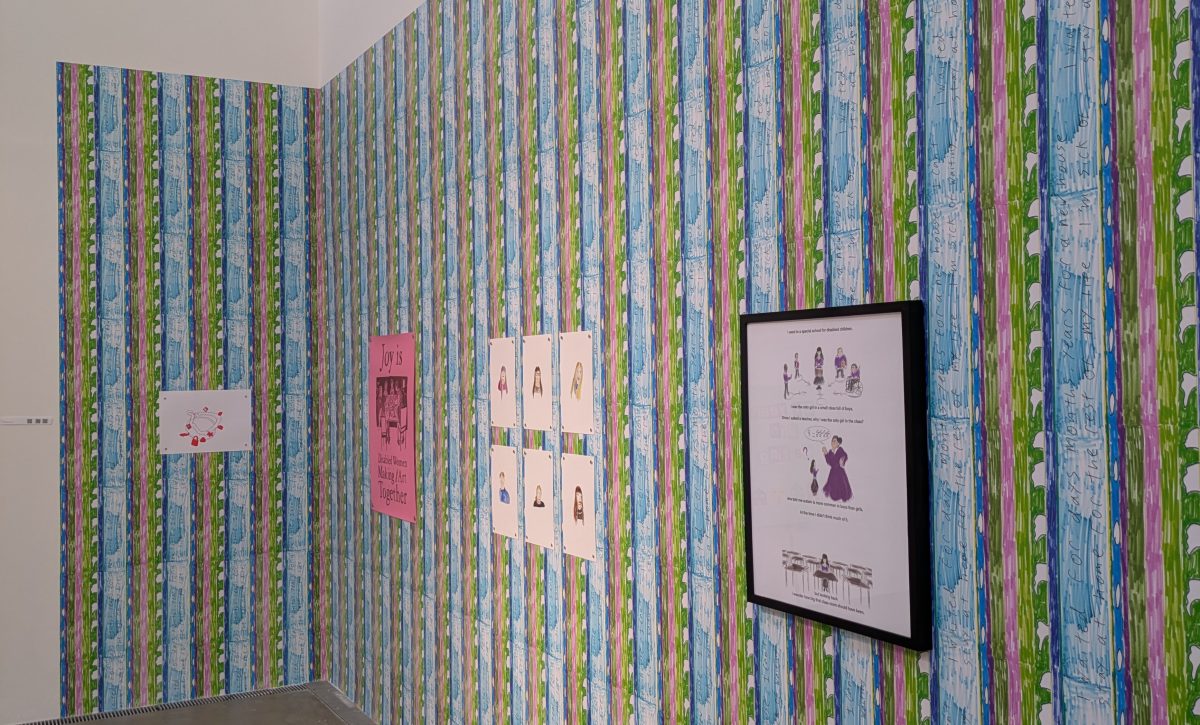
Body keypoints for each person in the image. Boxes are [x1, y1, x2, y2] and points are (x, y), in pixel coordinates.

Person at [822, 436, 852, 501]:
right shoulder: (830, 451)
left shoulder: (840, 450)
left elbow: (845, 455)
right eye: (832, 441)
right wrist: (825, 454)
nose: (833, 443)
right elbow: (829, 462)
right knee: (833, 485)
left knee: (841, 484)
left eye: (834, 441)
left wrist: (843, 459)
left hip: (839, 472)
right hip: (833, 472)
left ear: (838, 443)